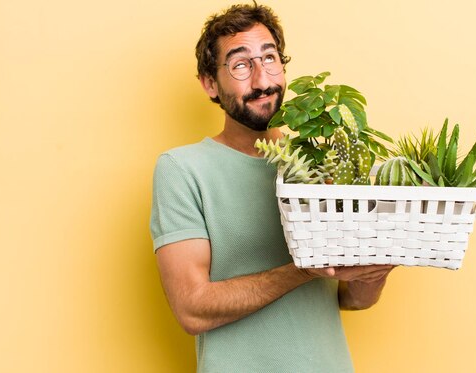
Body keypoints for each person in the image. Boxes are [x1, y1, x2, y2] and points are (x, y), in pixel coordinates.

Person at [150, 2, 394, 372]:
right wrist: (304, 269)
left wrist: (376, 267)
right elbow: (192, 310)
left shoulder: (320, 162)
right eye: (241, 65)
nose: (262, 81)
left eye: (270, 59)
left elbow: (354, 299)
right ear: (210, 83)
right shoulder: (182, 170)